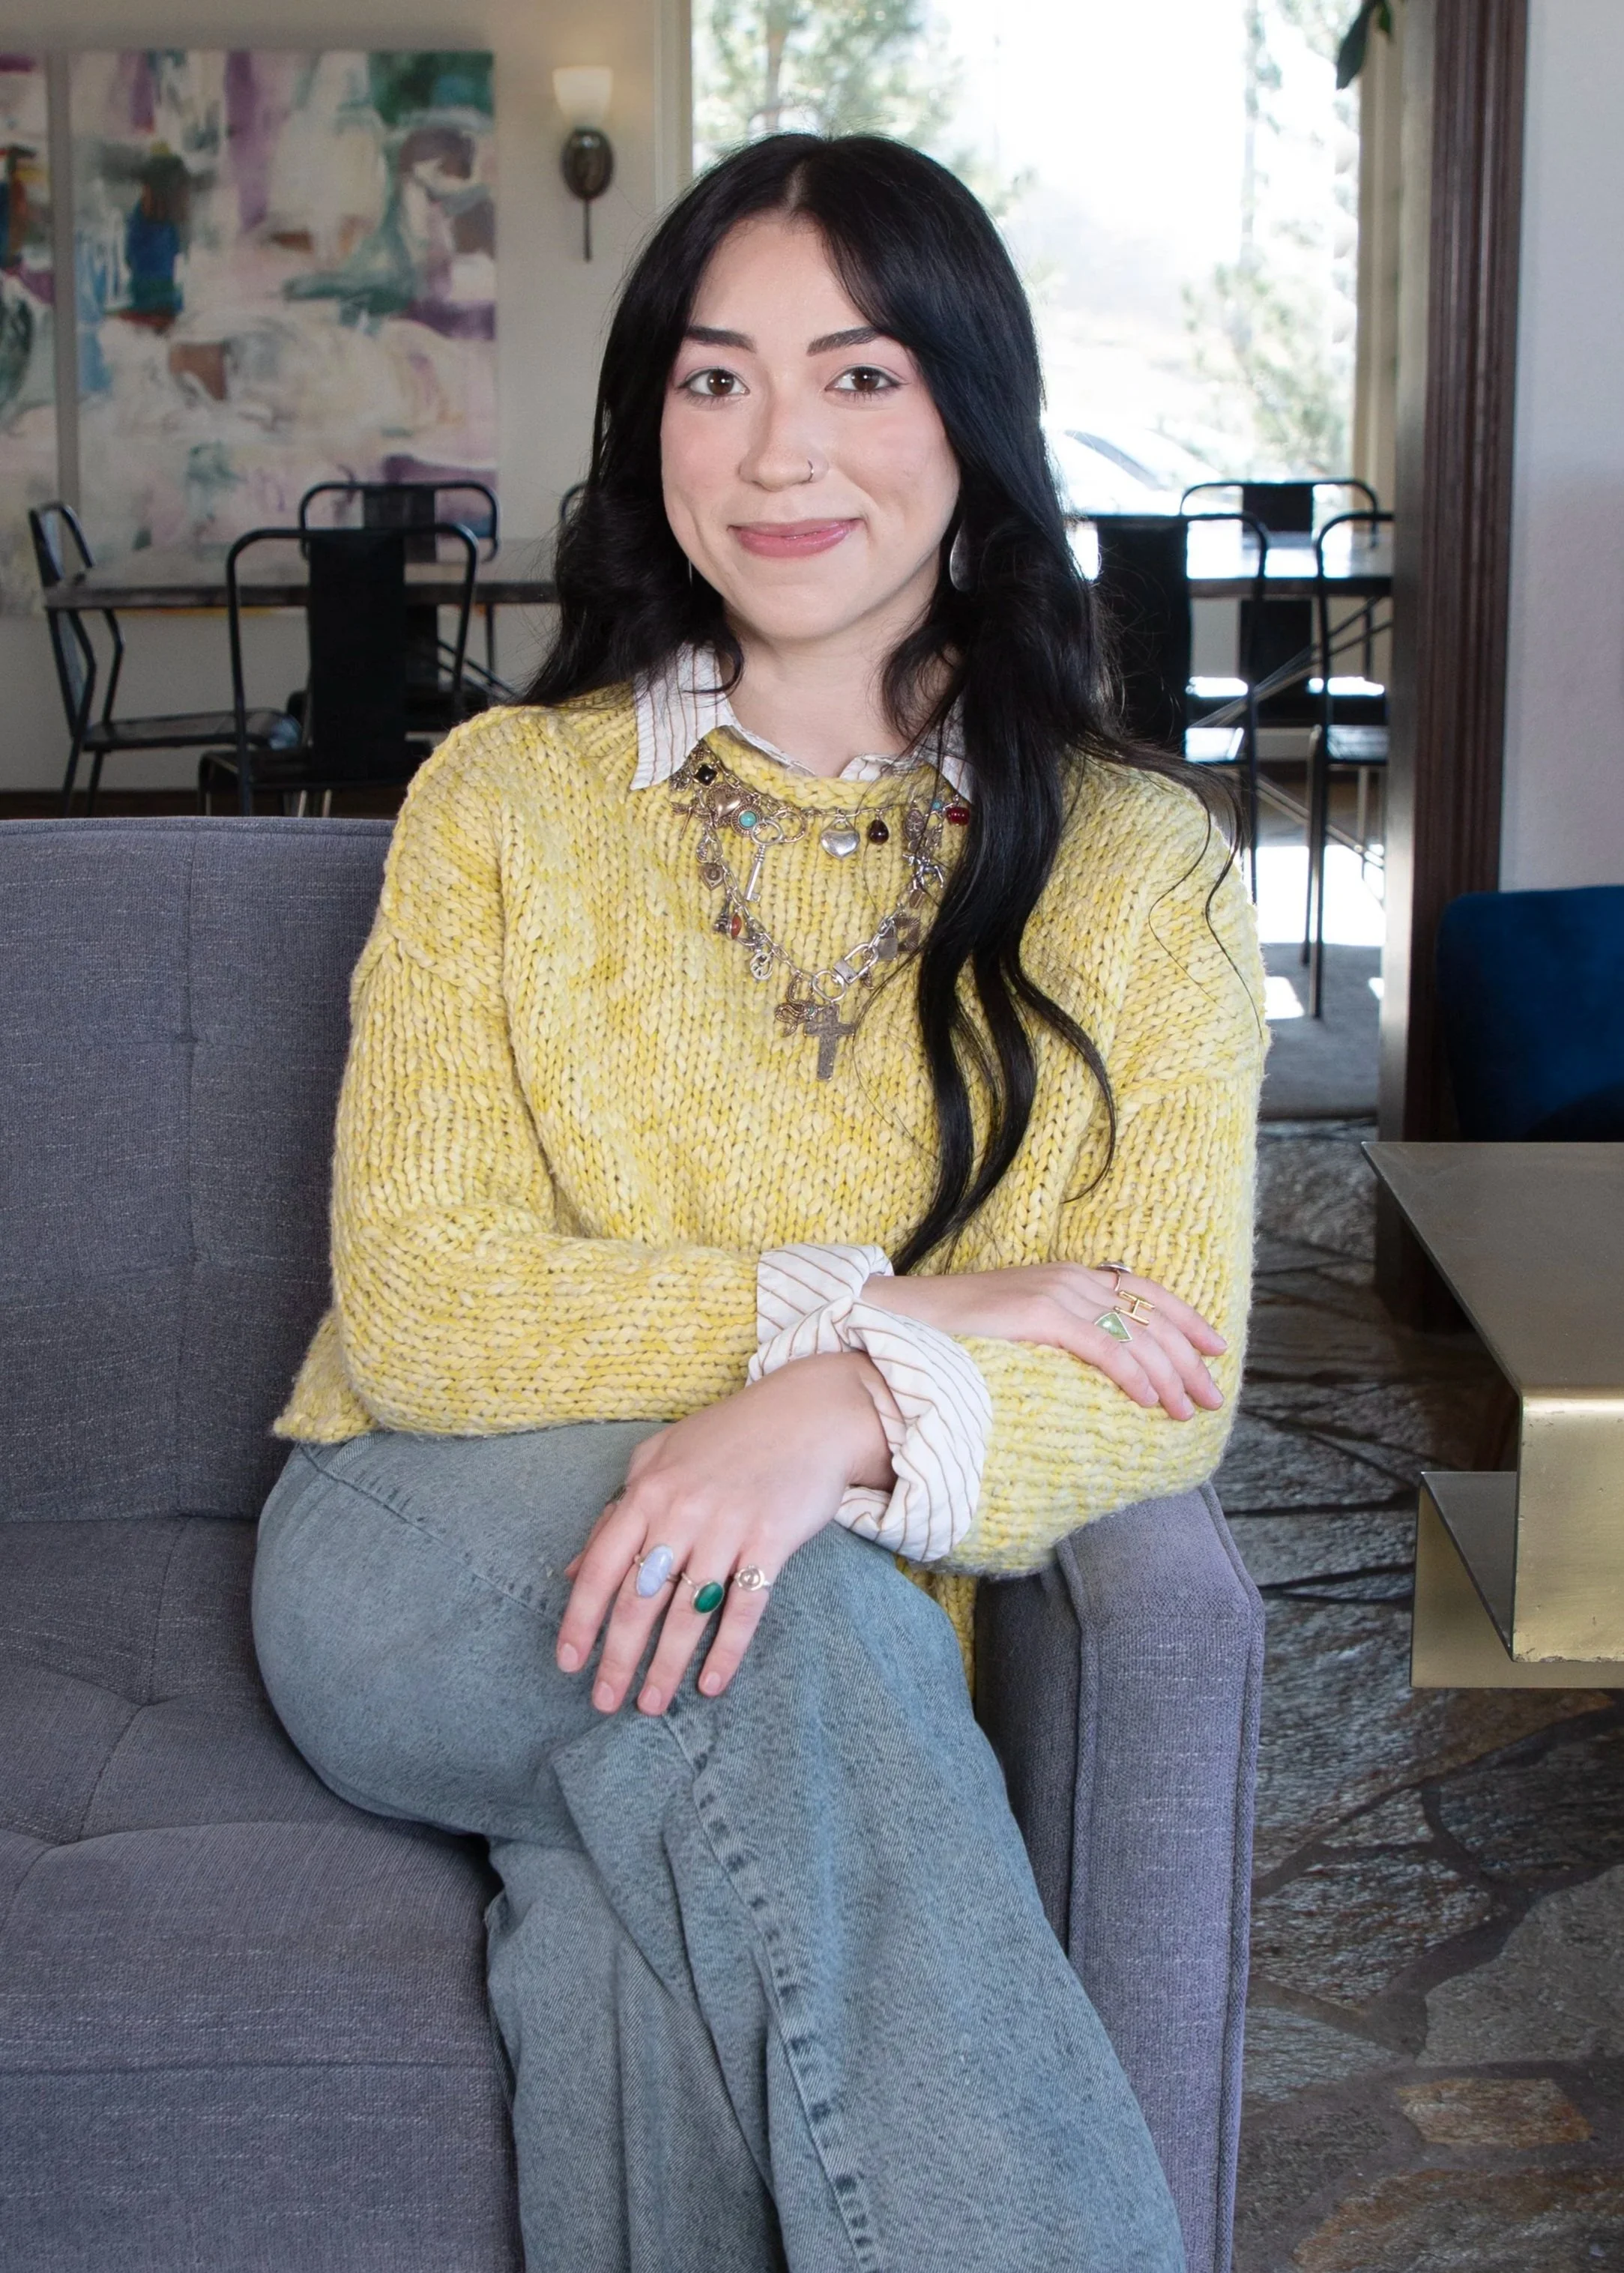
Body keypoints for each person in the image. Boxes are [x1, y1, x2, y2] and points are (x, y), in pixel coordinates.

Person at [252, 131, 1264, 2273]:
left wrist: (828, 1412)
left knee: (660, 1895)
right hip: (419, 1531)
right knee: (781, 1609)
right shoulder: (503, 802)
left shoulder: (1135, 865)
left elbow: (1164, 1372)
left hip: (795, 1627)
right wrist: (909, 1315)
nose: (779, 446)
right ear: (652, 433)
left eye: (861, 375)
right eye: (715, 380)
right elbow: (427, 1308)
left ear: (972, 425)